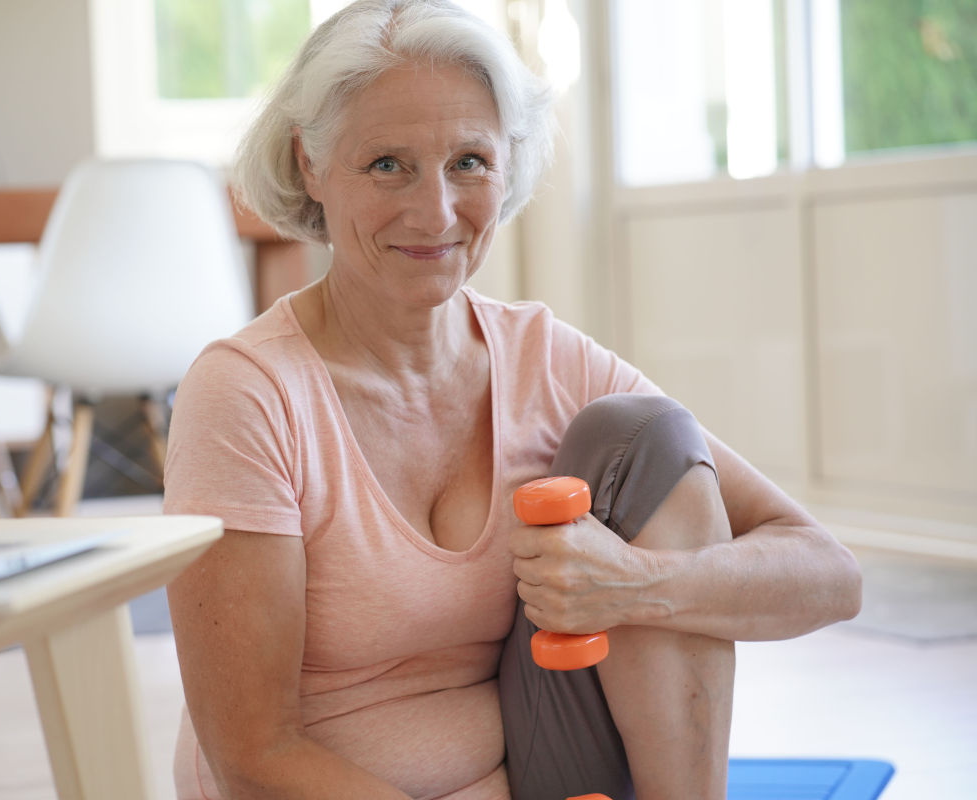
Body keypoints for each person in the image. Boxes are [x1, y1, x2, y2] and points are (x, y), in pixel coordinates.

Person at [163, 1, 862, 798]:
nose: (435, 212)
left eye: (468, 162)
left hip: (533, 766)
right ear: (311, 164)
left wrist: (634, 583)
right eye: (386, 163)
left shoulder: (545, 359)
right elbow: (252, 757)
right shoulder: (247, 393)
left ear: (508, 166)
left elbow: (828, 574)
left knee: (647, 438)